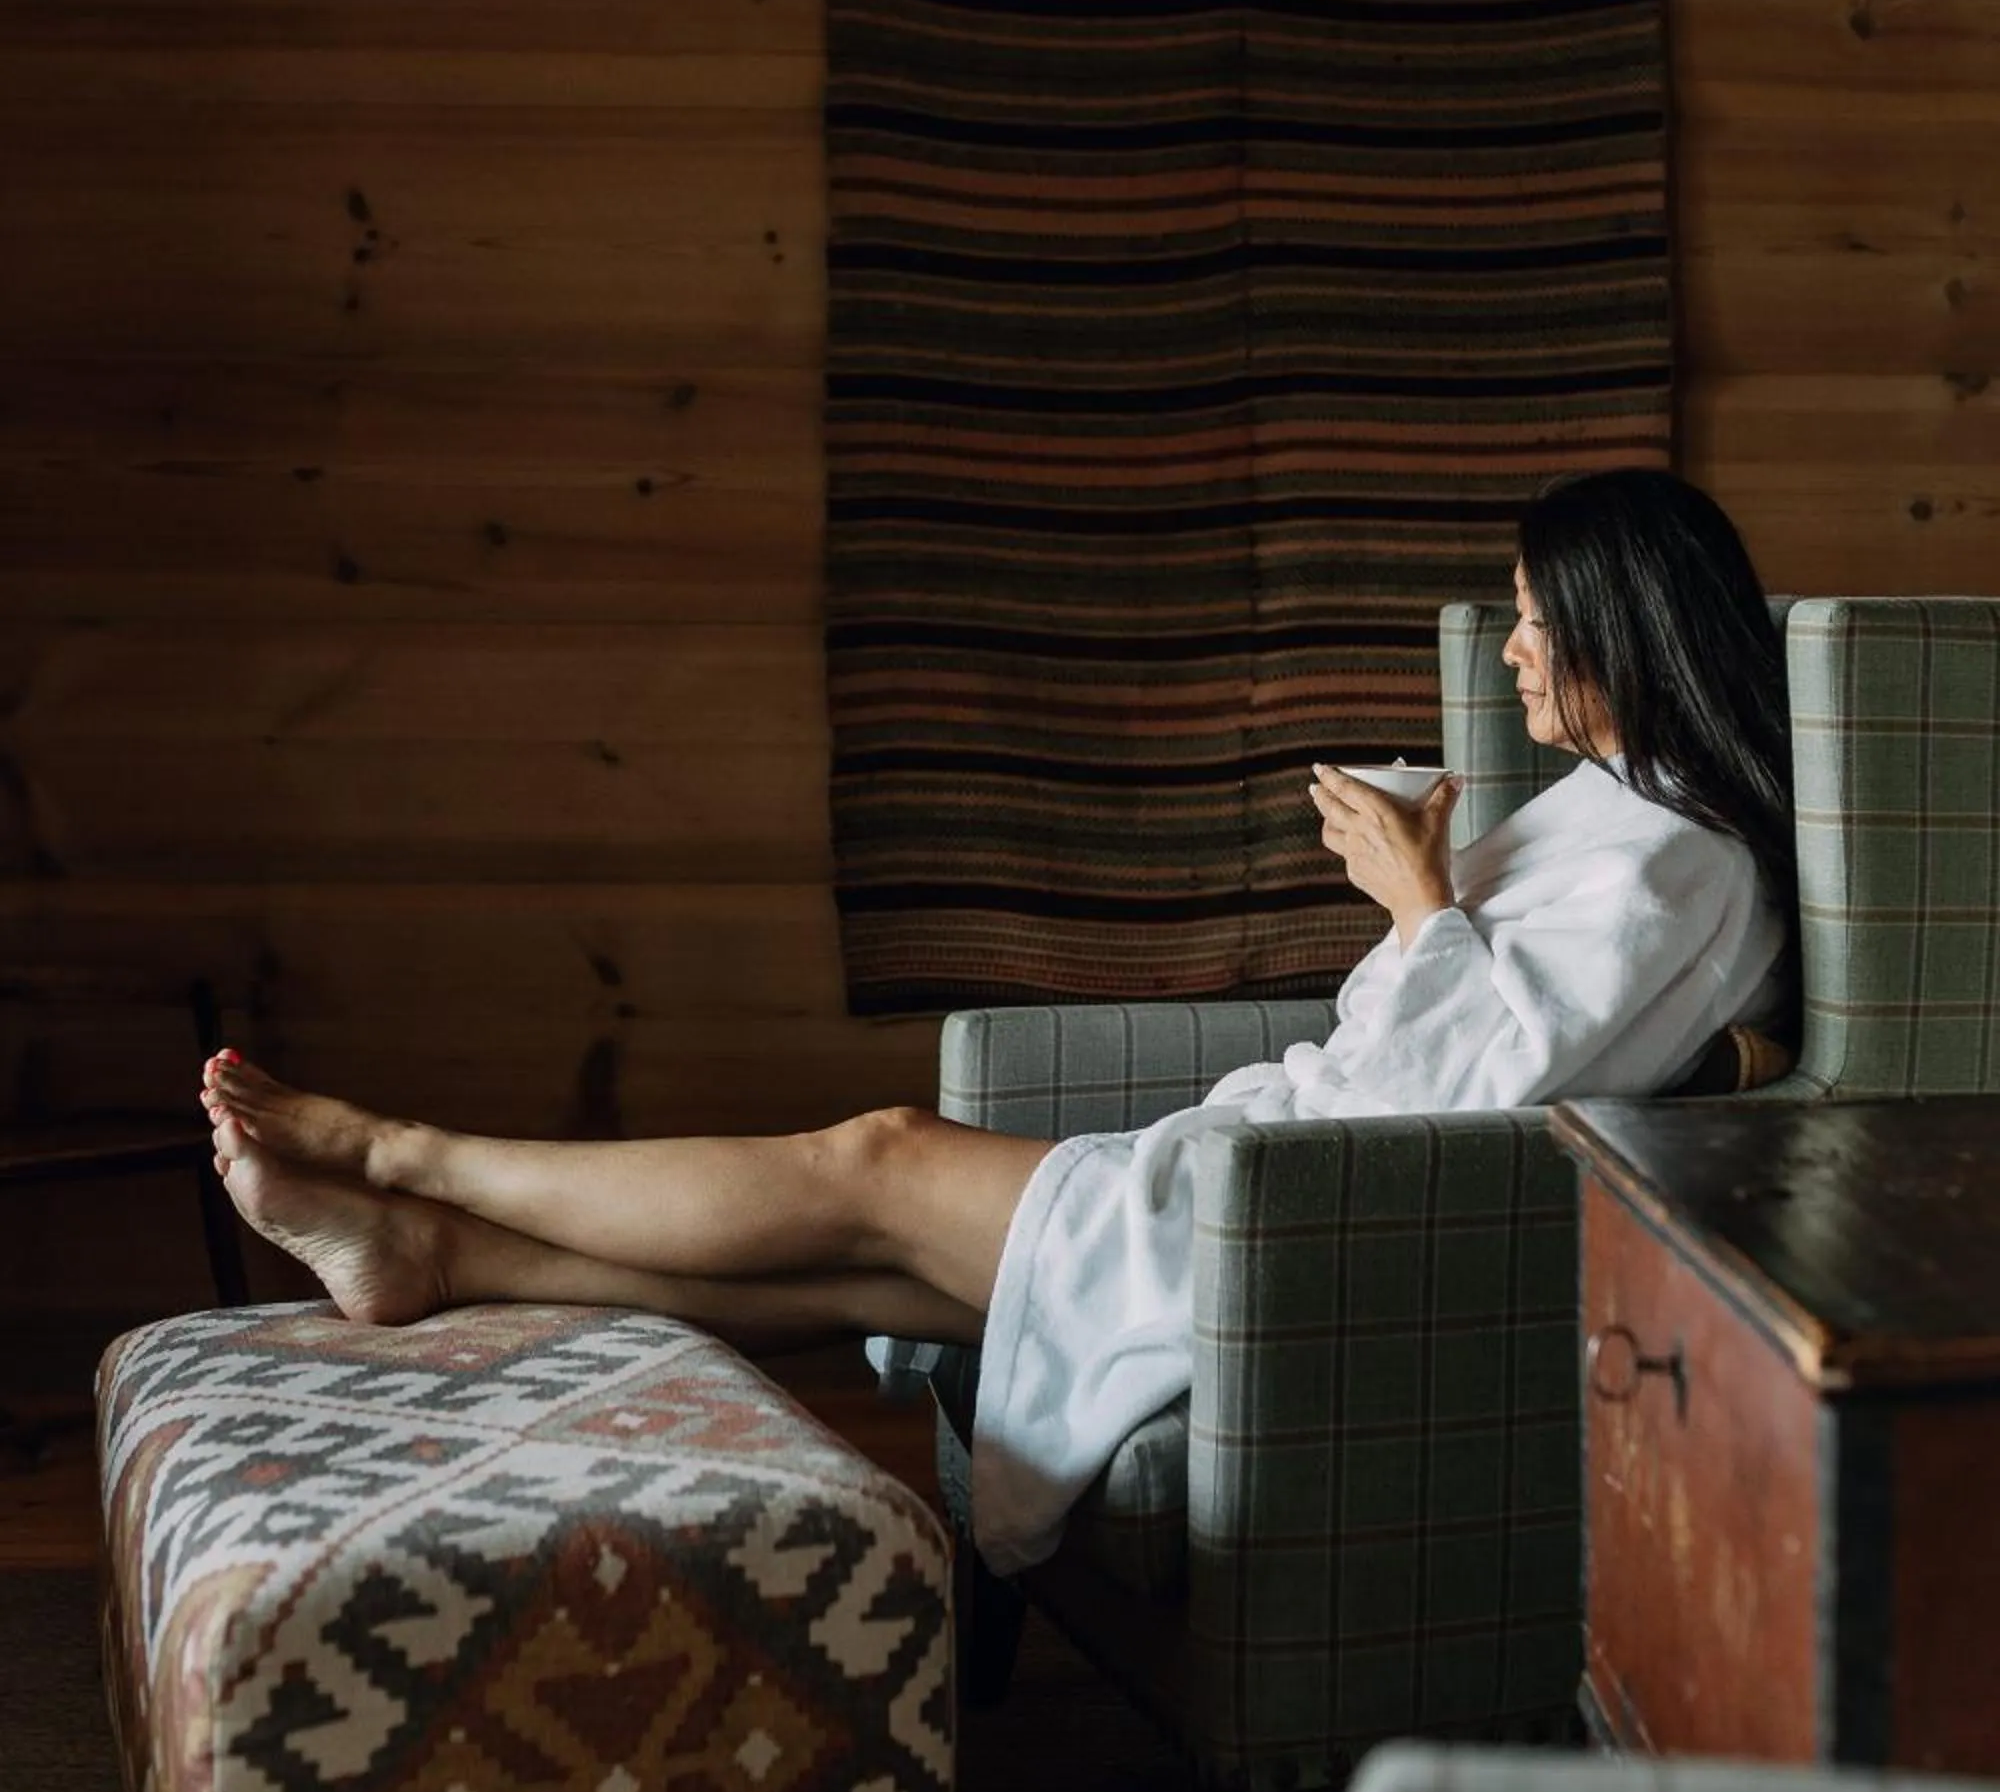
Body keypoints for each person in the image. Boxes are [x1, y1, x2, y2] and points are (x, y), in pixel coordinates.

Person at [202, 466, 1795, 1576]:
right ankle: (436, 1258)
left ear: (1621, 628)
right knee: (855, 1269)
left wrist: (1415, 898)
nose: (1511, 648)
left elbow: (1483, 1083)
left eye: (1533, 618)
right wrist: (1434, 901)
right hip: (1280, 1159)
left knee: (872, 1158)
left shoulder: (1684, 861)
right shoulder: (1614, 813)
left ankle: (402, 1147)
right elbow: (1522, 1030)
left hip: (1314, 1218)